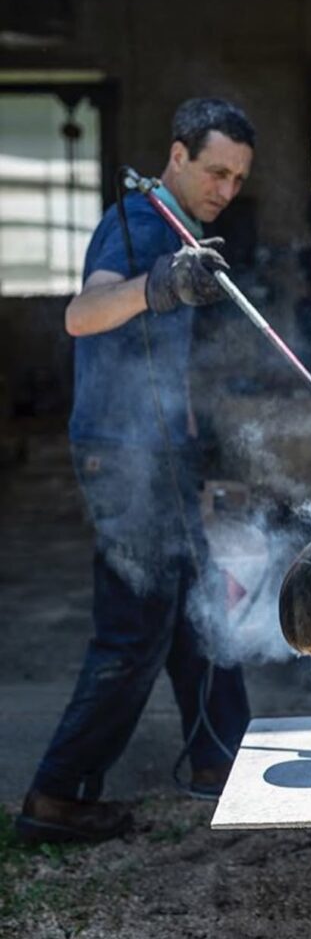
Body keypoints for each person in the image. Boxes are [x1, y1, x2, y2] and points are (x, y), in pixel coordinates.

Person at [16, 98, 256, 844]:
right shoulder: (136, 223)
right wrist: (155, 286)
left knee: (196, 608)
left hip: (163, 453)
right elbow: (82, 315)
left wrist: (198, 456)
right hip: (121, 456)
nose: (225, 188)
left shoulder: (183, 235)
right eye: (215, 170)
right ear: (177, 155)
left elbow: (168, 368)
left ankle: (225, 764)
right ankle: (57, 795)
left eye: (238, 179)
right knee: (135, 628)